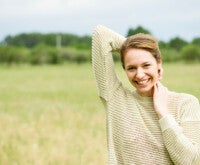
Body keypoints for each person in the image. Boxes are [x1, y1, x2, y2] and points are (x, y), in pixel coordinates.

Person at [91, 25, 200, 165]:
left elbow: (190, 161)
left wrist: (164, 114)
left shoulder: (186, 104)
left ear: (159, 65)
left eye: (146, 65)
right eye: (131, 68)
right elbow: (100, 34)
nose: (139, 74)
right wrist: (129, 49)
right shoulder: (115, 99)